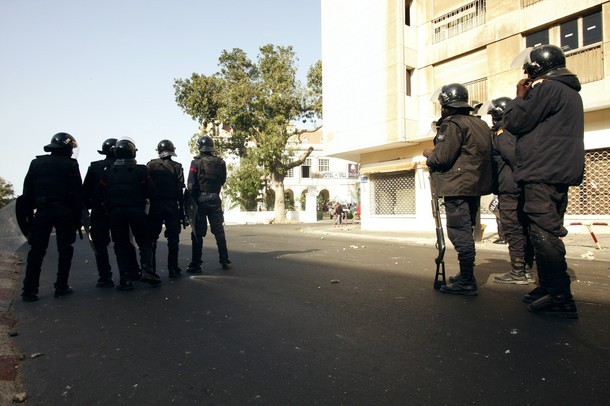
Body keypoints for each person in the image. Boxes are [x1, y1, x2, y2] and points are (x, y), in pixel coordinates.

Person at [503, 44, 584, 318]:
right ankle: (548, 287)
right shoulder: (568, 90)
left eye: (528, 68)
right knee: (546, 225)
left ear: (536, 68)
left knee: (543, 231)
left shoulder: (547, 88)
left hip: (542, 171)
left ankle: (560, 296)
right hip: (557, 170)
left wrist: (518, 96)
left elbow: (515, 121)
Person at [423, 83, 492, 296]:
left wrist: (429, 154)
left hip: (457, 186)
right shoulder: (480, 124)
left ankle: (468, 279)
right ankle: (465, 274)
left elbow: (443, 158)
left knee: (458, 231)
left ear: (446, 105)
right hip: (473, 185)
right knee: (466, 229)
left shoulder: (452, 124)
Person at [20, 132, 83, 302]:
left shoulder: (36, 163)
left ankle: (29, 290)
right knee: (65, 249)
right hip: (64, 212)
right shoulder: (70, 165)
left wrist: (28, 217)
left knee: (36, 252)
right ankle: (61, 285)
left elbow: (27, 193)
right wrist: (79, 217)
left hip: (42, 212)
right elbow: (77, 193)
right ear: (67, 148)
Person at [486, 97, 535, 286]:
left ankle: (518, 271)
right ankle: (527, 270)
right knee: (524, 229)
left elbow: (514, 158)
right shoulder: (518, 130)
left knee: (513, 230)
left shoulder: (503, 133)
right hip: (517, 187)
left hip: (510, 189)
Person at [100, 138, 160, 291]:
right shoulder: (141, 170)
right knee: (144, 241)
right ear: (132, 152)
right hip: (136, 211)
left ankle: (125, 279)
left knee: (120, 245)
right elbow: (151, 192)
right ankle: (147, 270)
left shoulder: (108, 173)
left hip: (116, 213)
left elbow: (102, 194)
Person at [83, 138, 140, 287]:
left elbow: (85, 191)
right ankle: (131, 272)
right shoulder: (125, 167)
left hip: (99, 210)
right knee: (124, 242)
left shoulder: (95, 167)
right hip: (118, 209)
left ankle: (105, 276)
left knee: (100, 245)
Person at [186, 135, 231, 273]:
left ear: (200, 147)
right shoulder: (221, 162)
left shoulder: (196, 163)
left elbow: (191, 184)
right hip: (215, 198)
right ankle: (225, 260)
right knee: (219, 232)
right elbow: (223, 180)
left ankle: (196, 264)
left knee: (197, 233)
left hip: (200, 200)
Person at [147, 140, 186, 278]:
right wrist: (182, 212)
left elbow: (146, 188)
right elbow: (180, 191)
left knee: (152, 239)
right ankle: (173, 268)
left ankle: (151, 268)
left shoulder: (150, 165)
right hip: (171, 205)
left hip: (155, 205)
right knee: (173, 238)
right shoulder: (177, 166)